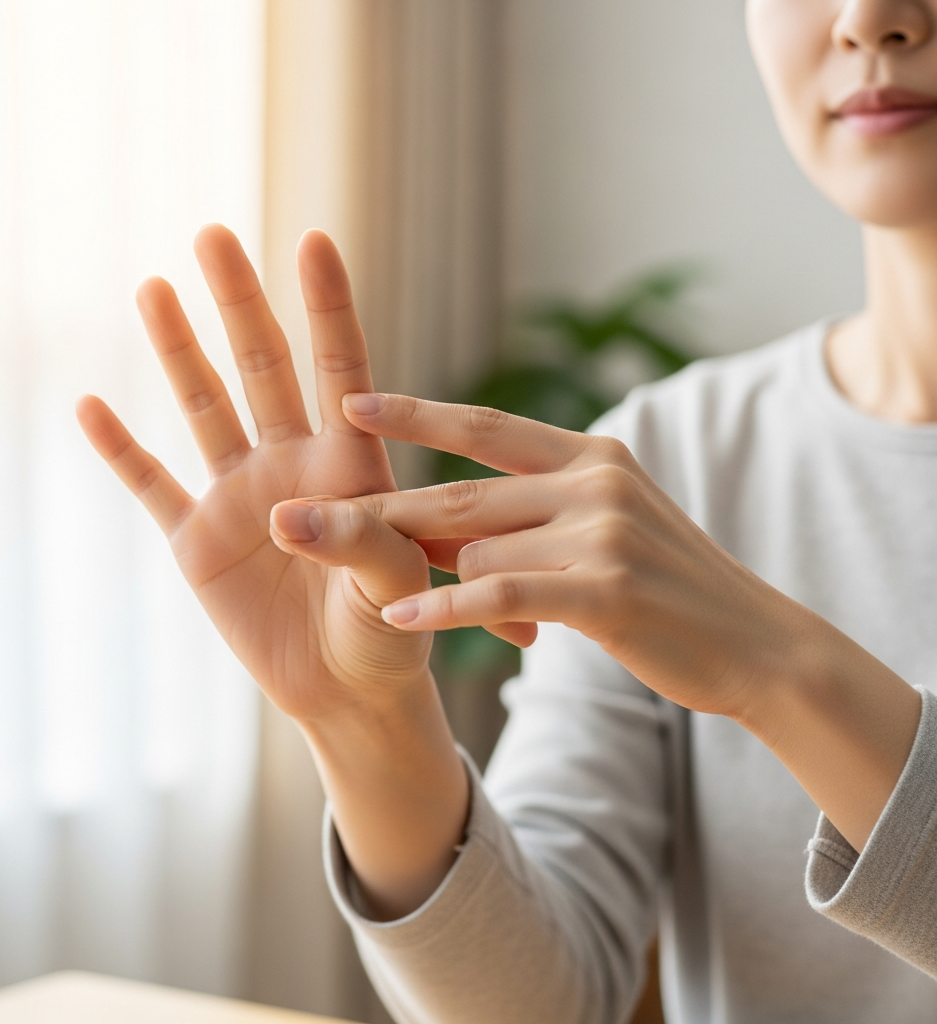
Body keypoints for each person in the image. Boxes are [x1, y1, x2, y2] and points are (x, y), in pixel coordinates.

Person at [78, 1, 937, 1020]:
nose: (869, 18)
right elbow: (548, 1002)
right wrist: (370, 725)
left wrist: (779, 672)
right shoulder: (675, 457)